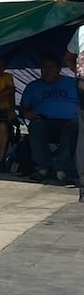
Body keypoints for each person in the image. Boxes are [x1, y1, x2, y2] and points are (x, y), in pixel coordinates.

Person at [20, 53, 79, 184]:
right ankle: (43, 167)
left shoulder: (72, 83)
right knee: (36, 126)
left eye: (50, 67)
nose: (46, 70)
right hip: (44, 120)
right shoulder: (33, 86)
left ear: (58, 68)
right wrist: (27, 113)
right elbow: (23, 108)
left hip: (69, 121)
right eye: (43, 67)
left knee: (74, 127)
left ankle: (61, 169)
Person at [64, 27, 84, 202]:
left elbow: (68, 58)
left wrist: (78, 75)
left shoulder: (81, 30)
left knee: (83, 137)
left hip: (82, 84)